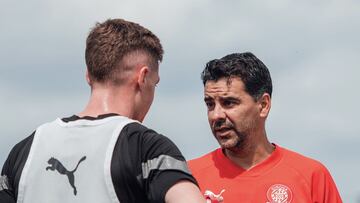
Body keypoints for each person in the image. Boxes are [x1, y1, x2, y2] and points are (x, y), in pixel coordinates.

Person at [0, 19, 205, 203]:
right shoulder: (148, 147)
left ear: (88, 75)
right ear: (142, 77)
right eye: (155, 84)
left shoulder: (24, 151)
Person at [188, 52, 342, 203]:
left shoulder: (311, 176)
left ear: (263, 105)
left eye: (229, 103)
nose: (216, 115)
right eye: (210, 104)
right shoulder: (186, 179)